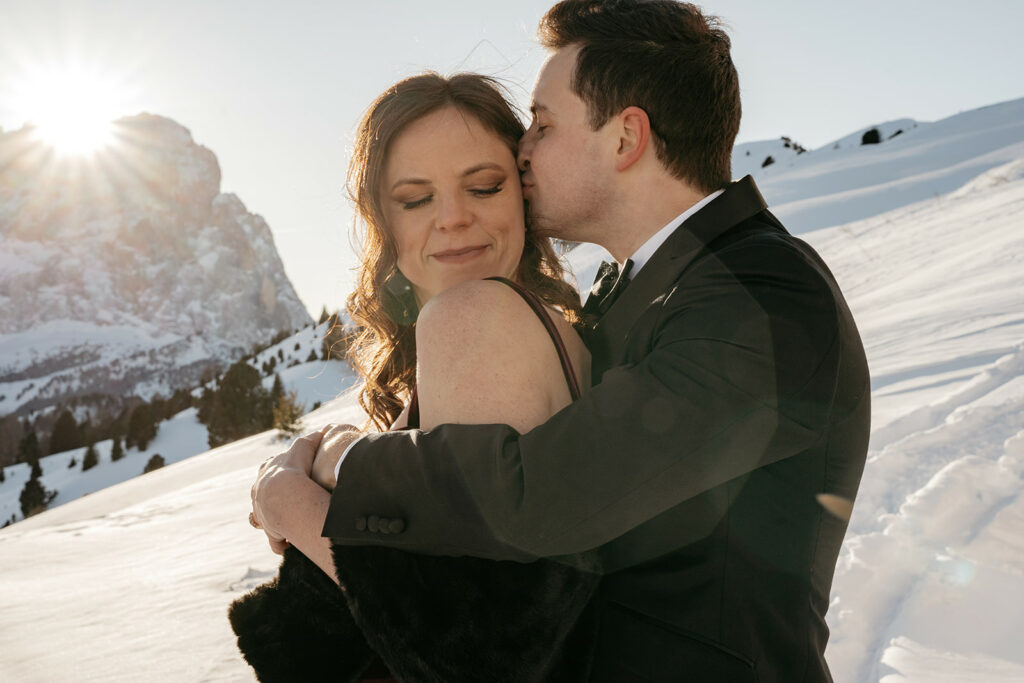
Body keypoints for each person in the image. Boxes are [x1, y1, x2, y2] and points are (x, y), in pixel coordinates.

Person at [253, 1, 871, 681]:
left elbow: (537, 492)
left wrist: (331, 475)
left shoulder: (762, 292)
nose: (523, 151)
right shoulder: (642, 298)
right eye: (414, 198)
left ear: (625, 138)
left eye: (542, 126)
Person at [235, 72, 600, 682]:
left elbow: (481, 650)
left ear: (524, 193)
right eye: (415, 198)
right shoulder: (541, 335)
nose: (453, 217)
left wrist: (287, 502)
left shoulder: (476, 317)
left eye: (483, 187)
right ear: (385, 221)